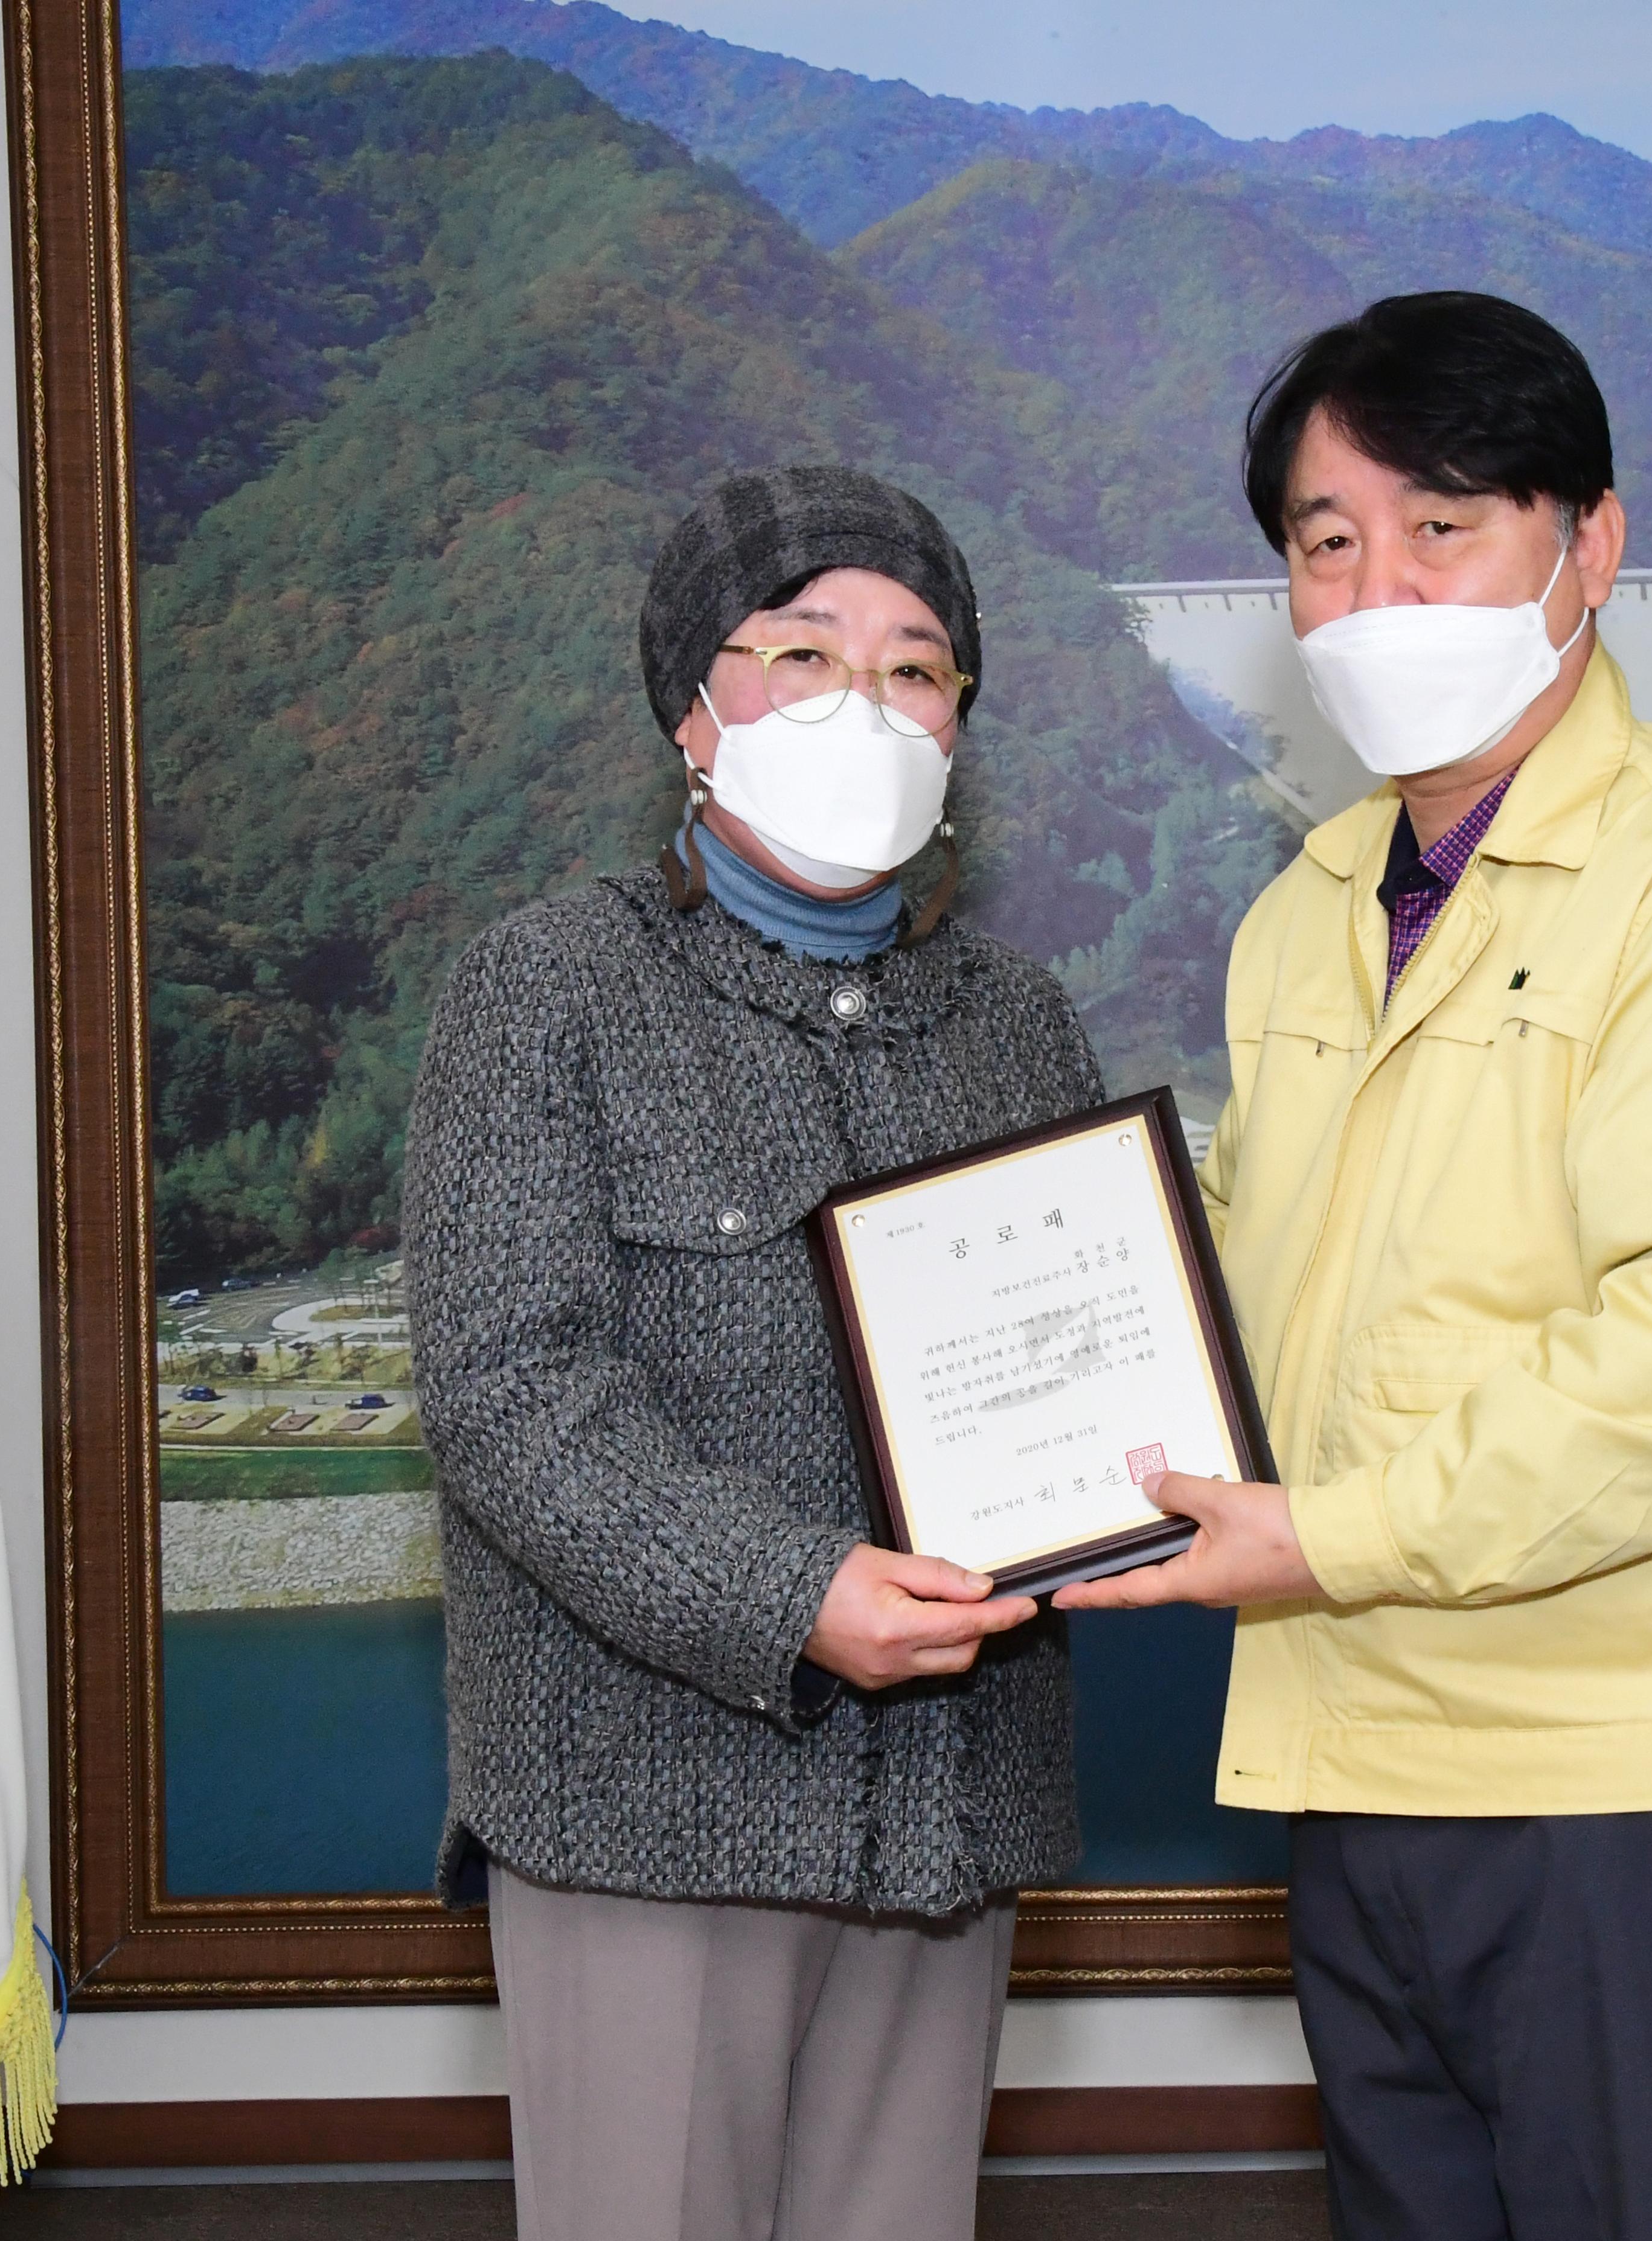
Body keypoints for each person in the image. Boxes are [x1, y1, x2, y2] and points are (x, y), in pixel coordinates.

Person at [1060, 294, 1652, 2240]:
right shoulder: (1308, 915)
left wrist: (1323, 1538)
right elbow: (1288, 1308)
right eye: (1325, 541)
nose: (1378, 592)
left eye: (1442, 525)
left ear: (1585, 547)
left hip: (1636, 1791)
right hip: (1363, 1770)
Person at [403, 465, 1100, 2241]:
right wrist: (795, 1592)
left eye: (919, 668)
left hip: (949, 1815)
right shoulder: (552, 985)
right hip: (648, 1808)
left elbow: (1094, 1361)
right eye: (802, 653)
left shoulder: (1022, 1026)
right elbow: (510, 1392)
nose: (865, 705)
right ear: (692, 715)